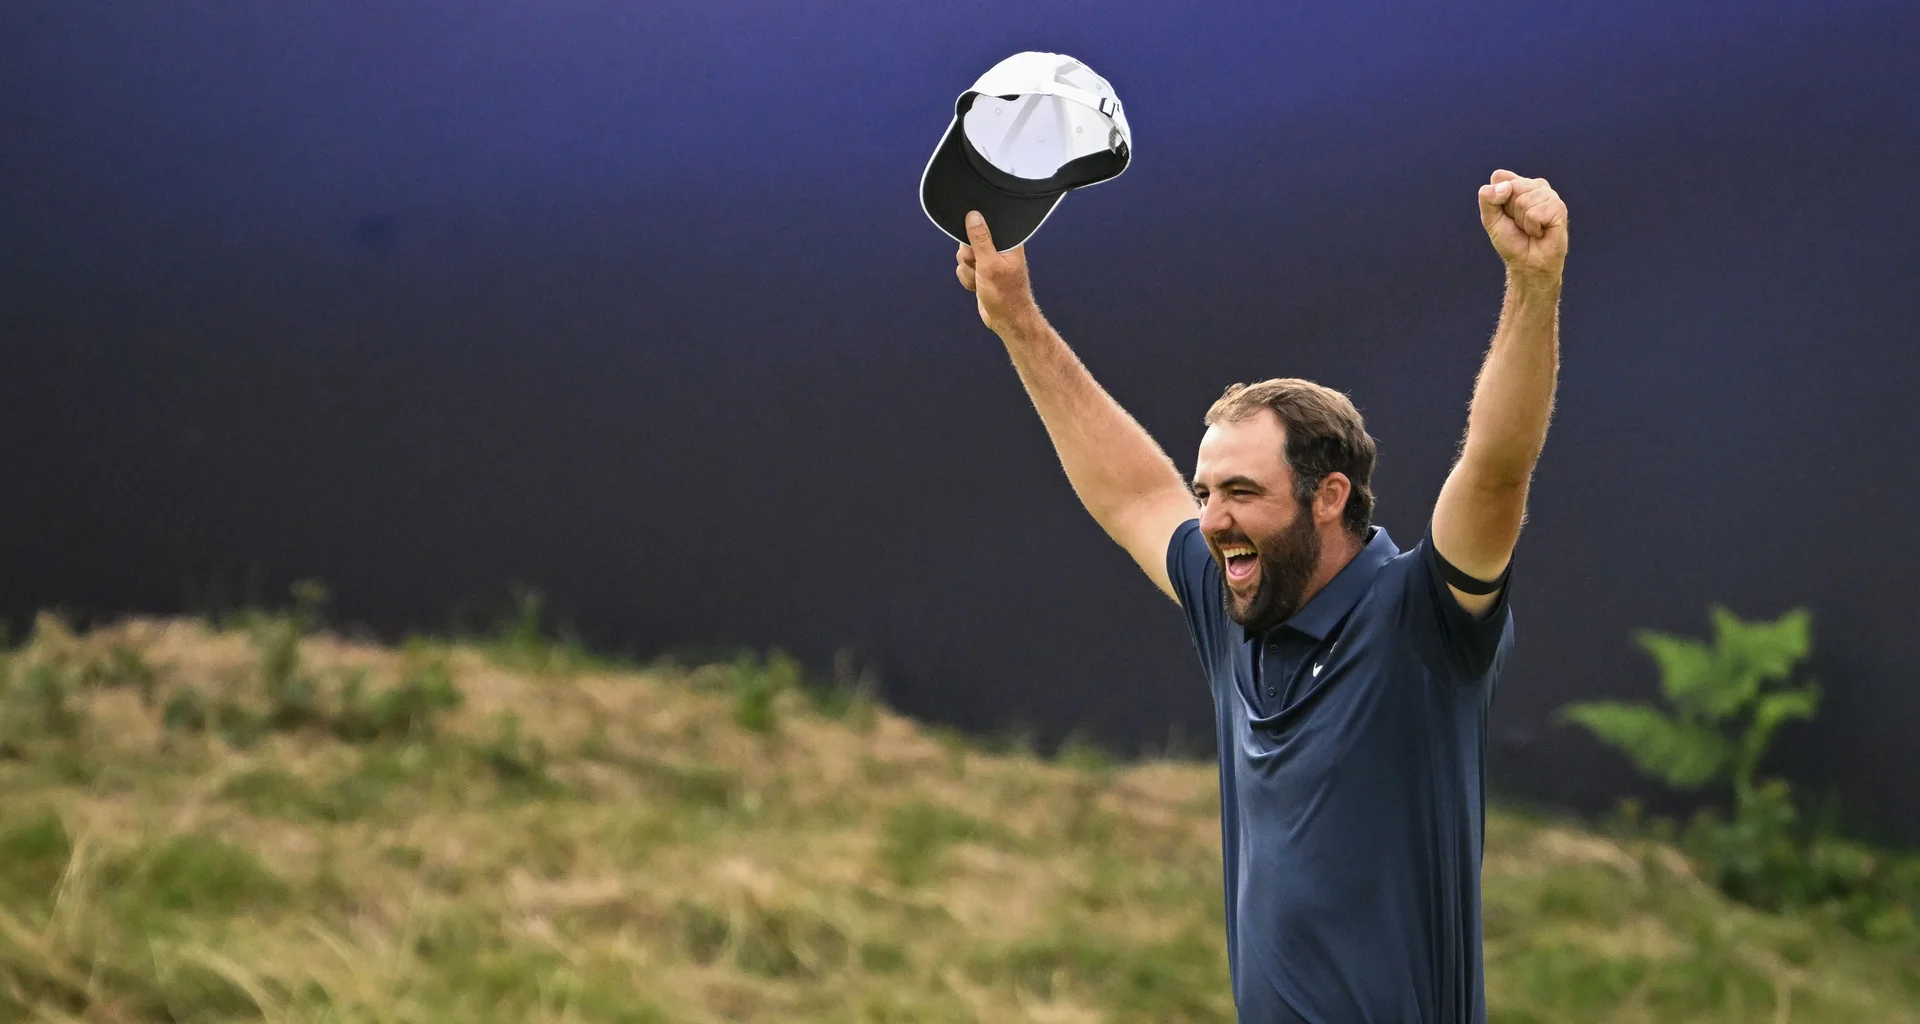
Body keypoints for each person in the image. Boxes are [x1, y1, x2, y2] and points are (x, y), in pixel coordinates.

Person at [953, 169, 1567, 1023]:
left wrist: (1533, 289)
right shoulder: (1237, 602)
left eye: (1240, 492)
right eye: (1206, 493)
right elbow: (1133, 494)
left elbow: (1497, 472)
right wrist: (1019, 324)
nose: (1211, 519)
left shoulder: (1420, 619)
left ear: (1330, 495)